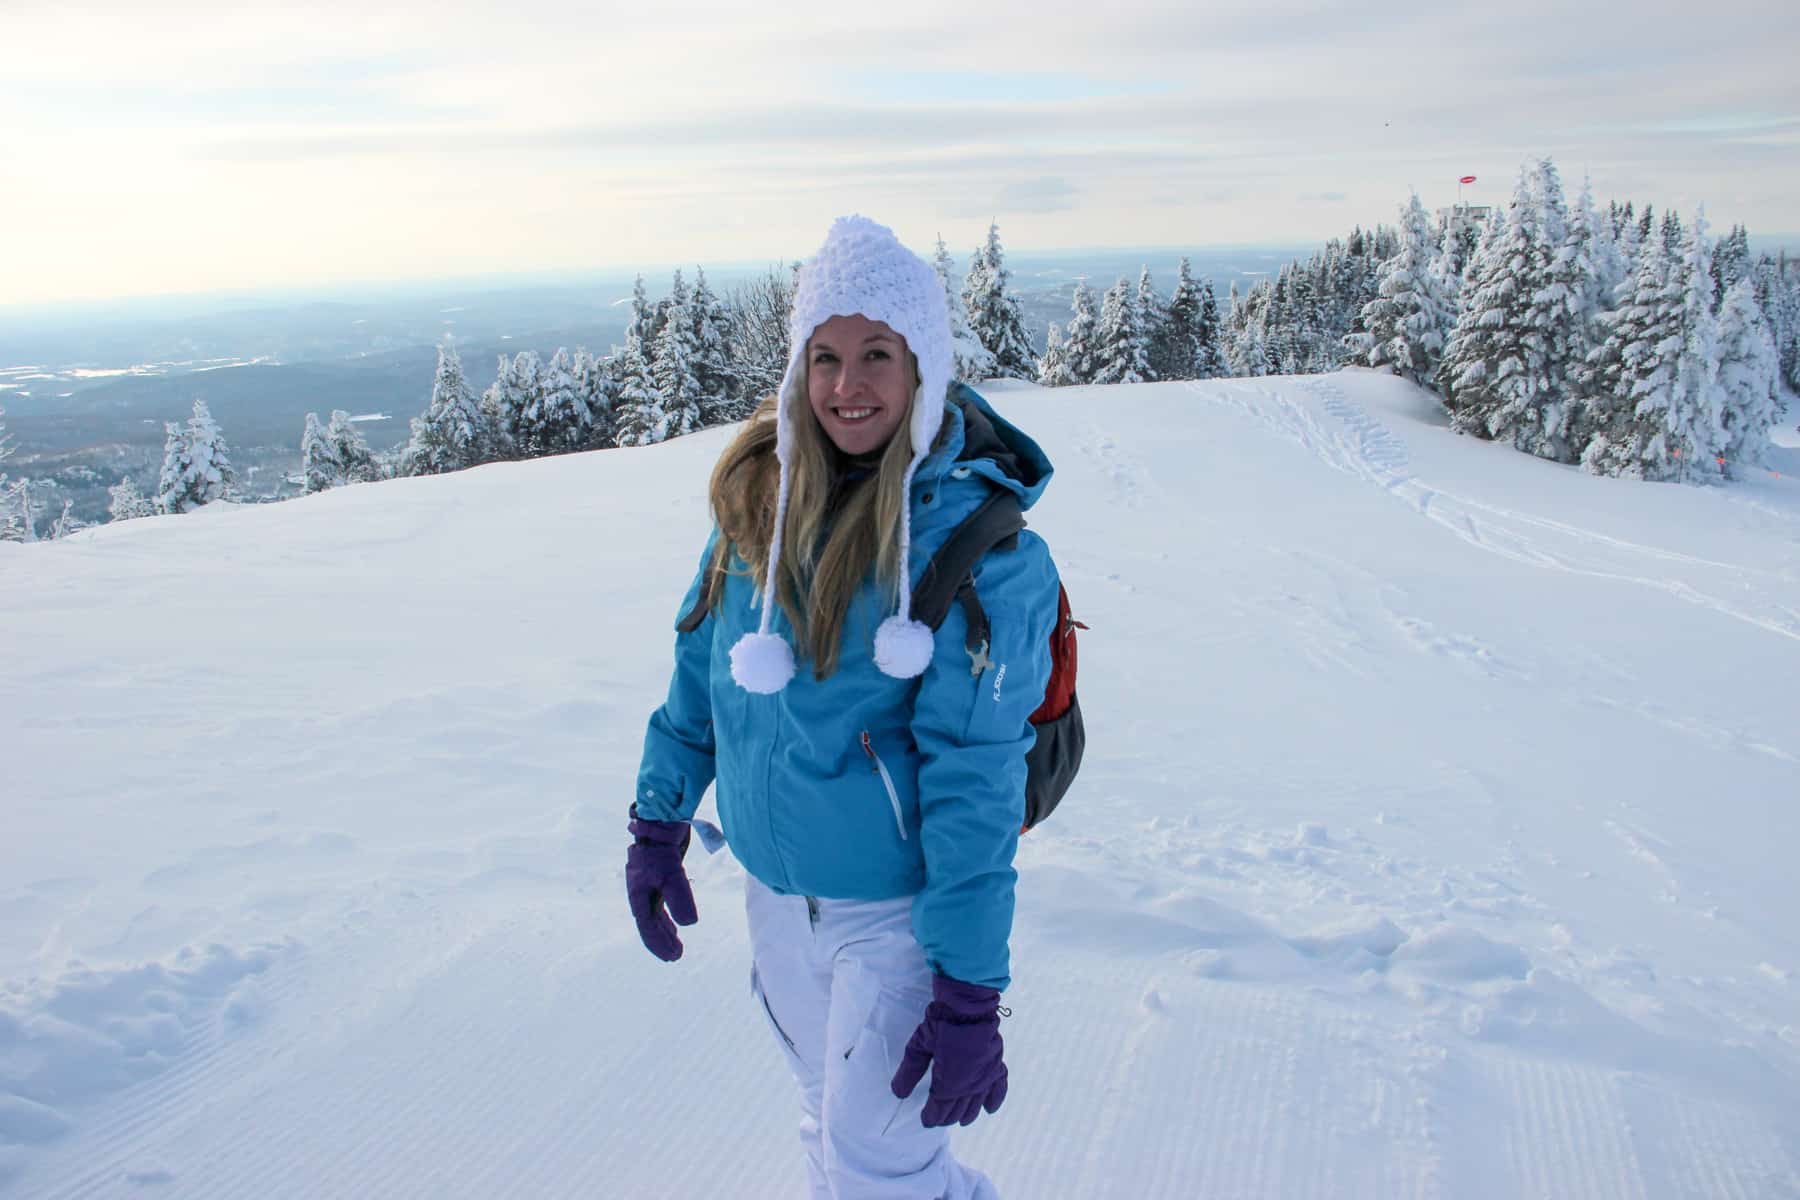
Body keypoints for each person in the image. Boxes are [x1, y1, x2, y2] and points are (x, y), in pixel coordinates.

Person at [627, 215, 1060, 1200]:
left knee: (878, 1172)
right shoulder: (760, 504)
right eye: (824, 357)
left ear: (924, 366)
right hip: (777, 899)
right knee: (835, 1133)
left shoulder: (982, 551)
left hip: (896, 919)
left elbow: (975, 780)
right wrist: (657, 817)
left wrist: (967, 988)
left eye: (876, 355)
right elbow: (701, 676)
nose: (846, 385)